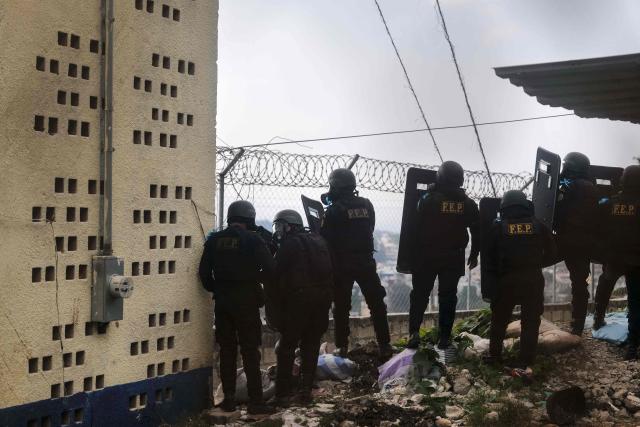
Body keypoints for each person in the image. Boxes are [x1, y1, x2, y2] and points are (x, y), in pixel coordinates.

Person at [198, 200, 274, 414]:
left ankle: (229, 399)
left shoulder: (214, 241)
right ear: (250, 219)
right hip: (247, 302)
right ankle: (256, 401)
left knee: (227, 351)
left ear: (231, 218)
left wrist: (219, 288)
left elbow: (204, 274)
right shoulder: (254, 239)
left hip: (223, 303)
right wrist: (252, 279)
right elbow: (270, 268)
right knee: (250, 351)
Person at [320, 168, 392, 359]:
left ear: (335, 186)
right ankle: (385, 345)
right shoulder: (366, 204)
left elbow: (325, 238)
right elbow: (371, 227)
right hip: (365, 262)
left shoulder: (334, 210)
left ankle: (342, 347)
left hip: (342, 264)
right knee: (377, 303)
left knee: (341, 306)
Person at [407, 161, 479, 349]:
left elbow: (414, 221)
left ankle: (414, 333)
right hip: (453, 257)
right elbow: (477, 230)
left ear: (440, 177)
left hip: (426, 255)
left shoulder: (429, 200)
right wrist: (475, 253)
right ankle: (444, 338)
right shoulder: (468, 204)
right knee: (448, 297)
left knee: (420, 295)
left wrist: (432, 190)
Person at [485, 190, 557, 372]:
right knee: (531, 322)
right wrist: (536, 264)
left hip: (506, 281)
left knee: (499, 320)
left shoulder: (498, 227)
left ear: (504, 207)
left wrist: (492, 283)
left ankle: (495, 356)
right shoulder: (538, 226)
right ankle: (525, 361)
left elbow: (488, 259)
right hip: (532, 279)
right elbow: (553, 252)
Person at [270, 209, 333, 406]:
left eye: (280, 226)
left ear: (289, 226)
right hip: (321, 302)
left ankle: (282, 395)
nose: (278, 231)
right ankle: (306, 391)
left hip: (298, 302)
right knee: (311, 345)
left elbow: (275, 272)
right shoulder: (319, 241)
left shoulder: (289, 244)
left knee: (287, 347)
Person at [592, 165, 640, 359]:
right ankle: (633, 345)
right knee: (636, 301)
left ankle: (598, 320)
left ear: (623, 181)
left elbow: (598, 227)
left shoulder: (609, 203)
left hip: (614, 257)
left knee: (604, 287)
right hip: (637, 260)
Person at [554, 152, 599, 335]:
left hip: (565, 240)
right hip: (585, 243)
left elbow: (557, 203)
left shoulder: (567, 184)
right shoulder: (592, 187)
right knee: (581, 283)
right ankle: (578, 324)